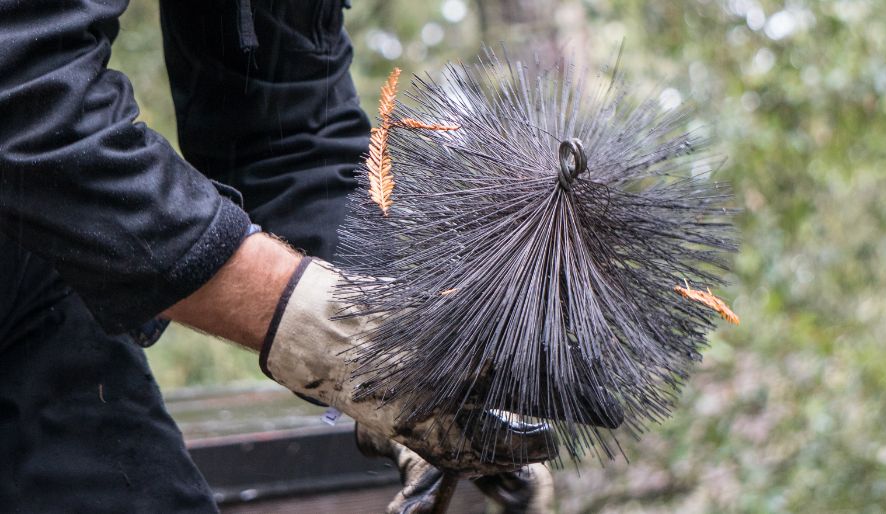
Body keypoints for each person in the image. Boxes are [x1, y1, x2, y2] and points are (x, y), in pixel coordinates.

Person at [0, 1, 555, 512]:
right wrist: (340, 338)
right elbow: (27, 92)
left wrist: (410, 355)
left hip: (31, 271)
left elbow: (288, 123)